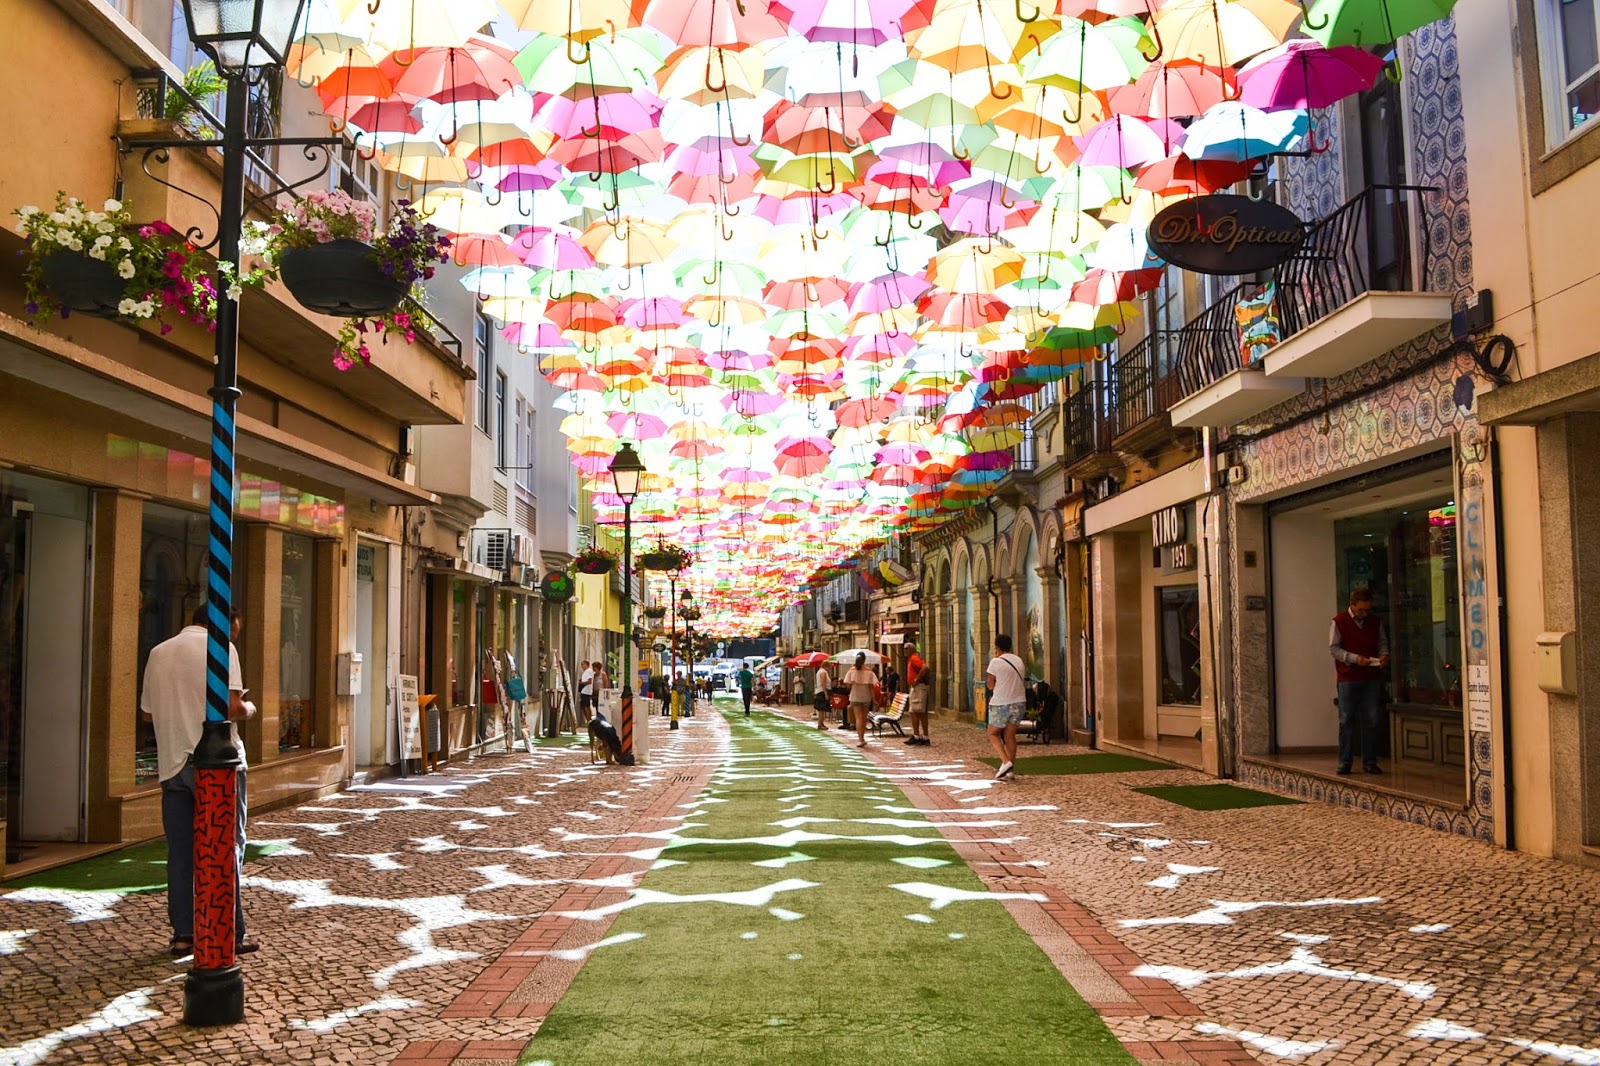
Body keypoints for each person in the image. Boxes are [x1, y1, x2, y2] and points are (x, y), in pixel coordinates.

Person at [140, 605, 258, 958]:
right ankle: (230, 931)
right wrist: (250, 709)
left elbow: (147, 713)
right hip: (216, 764)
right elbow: (231, 707)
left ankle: (184, 934)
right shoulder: (221, 649)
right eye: (233, 632)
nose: (233, 638)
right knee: (228, 844)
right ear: (224, 626)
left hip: (172, 764)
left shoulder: (158, 653)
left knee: (179, 852)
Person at [1330, 587, 1389, 775]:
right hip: (1348, 677)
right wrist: (1355, 659)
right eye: (1361, 610)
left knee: (1371, 719)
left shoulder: (1375, 621)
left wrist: (1383, 655)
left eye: (1367, 610)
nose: (1364, 613)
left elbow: (1382, 642)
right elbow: (1334, 649)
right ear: (1352, 605)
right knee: (1346, 720)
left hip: (1371, 677)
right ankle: (1345, 762)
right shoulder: (1339, 622)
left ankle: (1370, 761)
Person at [985, 634, 1029, 780]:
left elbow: (990, 684)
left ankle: (1006, 762)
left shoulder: (995, 662)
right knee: (1010, 735)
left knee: (993, 733)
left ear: (997, 647)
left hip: (1001, 702)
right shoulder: (1019, 661)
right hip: (1019, 702)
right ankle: (1010, 771)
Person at [842, 652, 879, 748]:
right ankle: (863, 738)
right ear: (864, 660)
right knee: (863, 718)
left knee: (858, 718)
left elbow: (848, 684)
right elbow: (871, 686)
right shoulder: (869, 671)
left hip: (855, 696)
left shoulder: (851, 670)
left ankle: (860, 739)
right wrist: (874, 699)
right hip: (866, 696)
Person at [905, 643, 931, 746]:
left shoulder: (914, 658)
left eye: (907, 649)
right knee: (916, 711)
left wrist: (916, 679)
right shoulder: (911, 659)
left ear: (912, 649)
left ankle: (920, 736)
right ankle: (920, 736)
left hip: (918, 687)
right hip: (916, 688)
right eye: (904, 649)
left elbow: (924, 667)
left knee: (917, 712)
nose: (905, 651)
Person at [813, 663, 832, 730]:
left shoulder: (820, 671)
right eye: (829, 667)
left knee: (822, 709)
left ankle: (821, 723)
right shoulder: (823, 672)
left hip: (820, 691)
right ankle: (820, 724)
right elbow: (823, 684)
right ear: (826, 666)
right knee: (822, 709)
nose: (830, 669)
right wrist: (826, 693)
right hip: (822, 692)